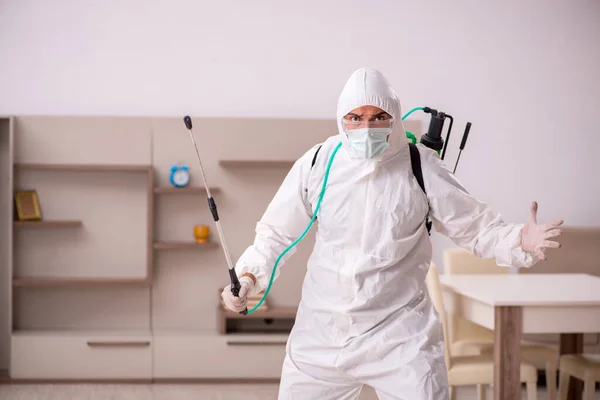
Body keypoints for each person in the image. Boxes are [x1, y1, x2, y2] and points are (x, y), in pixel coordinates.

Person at [221, 67, 563, 399]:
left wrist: (519, 240)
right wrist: (249, 276)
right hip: (321, 335)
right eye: (356, 118)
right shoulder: (318, 163)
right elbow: (275, 235)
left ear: (394, 117)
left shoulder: (421, 166)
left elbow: (476, 227)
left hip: (399, 336)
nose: (366, 127)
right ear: (341, 118)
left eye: (377, 117)